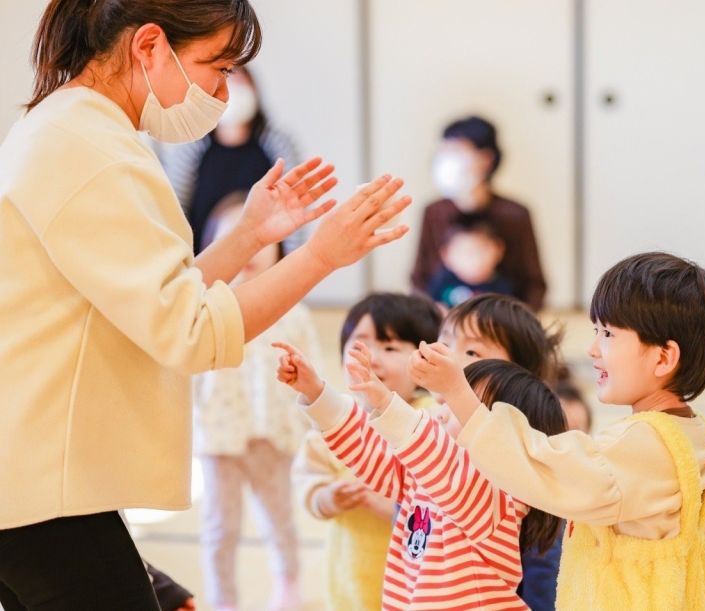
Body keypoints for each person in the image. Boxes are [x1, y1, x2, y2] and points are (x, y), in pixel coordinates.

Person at [0, 2, 410, 608]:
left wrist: (248, 236)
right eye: (217, 67)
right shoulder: (89, 147)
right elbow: (189, 331)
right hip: (39, 479)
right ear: (149, 47)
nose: (222, 92)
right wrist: (322, 255)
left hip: (32, 471)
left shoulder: (77, 128)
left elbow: (156, 297)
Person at [410, 252, 705, 611]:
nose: (592, 350)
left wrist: (459, 394)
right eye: (595, 332)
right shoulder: (695, 438)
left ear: (663, 358)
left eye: (608, 334)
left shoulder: (644, 445)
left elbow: (541, 467)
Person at [275, 341, 566, 610]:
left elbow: (440, 461)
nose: (440, 413)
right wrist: (317, 393)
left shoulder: (498, 499)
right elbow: (368, 449)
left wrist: (385, 401)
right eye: (444, 402)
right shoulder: (422, 482)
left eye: (458, 406)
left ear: (501, 441)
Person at [192, 198, 321, 611]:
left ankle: (287, 585)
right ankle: (223, 600)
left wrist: (313, 424)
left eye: (262, 241)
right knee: (220, 527)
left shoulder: (292, 308)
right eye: (234, 238)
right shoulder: (203, 306)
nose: (251, 251)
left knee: (279, 517)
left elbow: (311, 370)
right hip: (218, 435)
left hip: (273, 433)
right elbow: (186, 373)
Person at [289, 293, 442, 611]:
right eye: (359, 346)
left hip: (420, 580)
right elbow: (309, 478)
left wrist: (389, 506)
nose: (371, 358)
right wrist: (326, 498)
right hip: (352, 573)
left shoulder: (433, 420)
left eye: (390, 348)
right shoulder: (332, 419)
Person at [434, 294, 564, 610]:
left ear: (517, 377)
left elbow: (541, 579)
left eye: (471, 352)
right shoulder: (426, 428)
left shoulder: (519, 460)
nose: (448, 358)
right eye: (445, 343)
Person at [161, 65, 304, 254]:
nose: (235, 94)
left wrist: (290, 264)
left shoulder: (277, 144)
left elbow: (293, 208)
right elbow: (174, 210)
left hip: (265, 261)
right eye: (228, 85)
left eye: (241, 86)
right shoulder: (191, 145)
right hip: (204, 261)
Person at [411, 116, 548, 310]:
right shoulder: (434, 212)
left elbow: (534, 285)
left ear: (486, 158)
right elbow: (419, 279)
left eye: (456, 151)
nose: (446, 160)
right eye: (444, 152)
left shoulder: (515, 214)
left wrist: (515, 321)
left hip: (503, 319)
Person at [427, 216, 513, 308]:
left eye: (481, 249)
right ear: (446, 255)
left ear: (499, 250)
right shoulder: (441, 281)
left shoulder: (502, 288)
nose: (473, 258)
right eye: (464, 252)